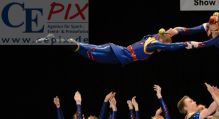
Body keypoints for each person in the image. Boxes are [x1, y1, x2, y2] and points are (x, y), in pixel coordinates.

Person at [36, 29, 195, 64]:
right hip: (119, 52)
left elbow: (168, 34)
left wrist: (178, 31)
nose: (161, 50)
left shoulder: (154, 37)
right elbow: (169, 47)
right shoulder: (154, 44)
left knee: (85, 53)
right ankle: (55, 38)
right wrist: (186, 44)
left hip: (119, 56)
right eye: (162, 47)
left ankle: (58, 40)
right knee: (89, 49)